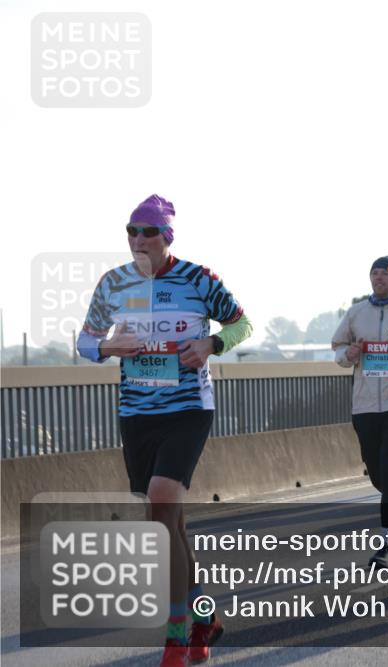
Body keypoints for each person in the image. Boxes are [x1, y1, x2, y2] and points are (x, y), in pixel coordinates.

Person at [77, 195, 251, 667]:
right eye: (131, 231)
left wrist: (212, 342)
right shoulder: (114, 283)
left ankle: (176, 635)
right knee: (170, 523)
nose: (138, 239)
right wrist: (112, 348)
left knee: (159, 509)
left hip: (189, 409)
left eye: (147, 231)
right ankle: (204, 615)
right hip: (137, 414)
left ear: (166, 237)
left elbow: (242, 324)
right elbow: (85, 342)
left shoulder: (199, 279)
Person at [332, 257, 388, 567]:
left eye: (386, 273)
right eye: (375, 273)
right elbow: (337, 350)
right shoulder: (357, 313)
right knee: (377, 474)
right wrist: (349, 353)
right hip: (364, 404)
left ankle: (386, 547)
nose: (379, 278)